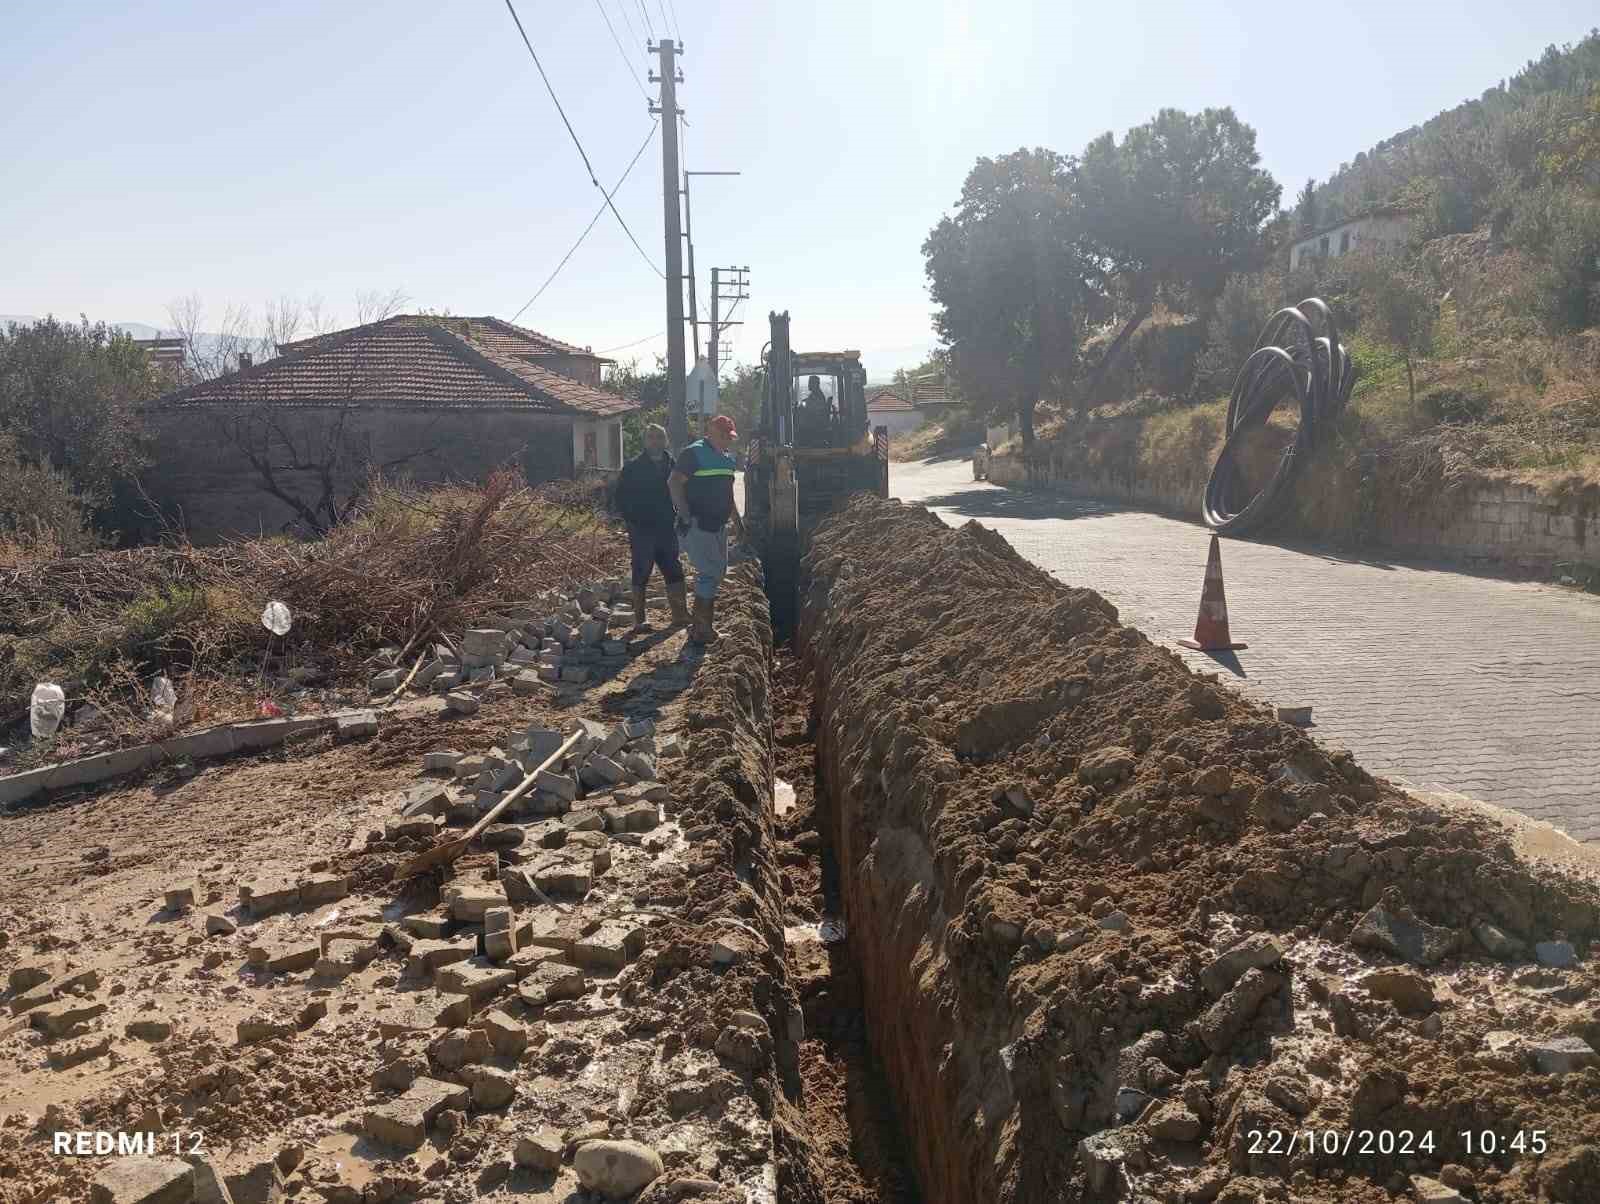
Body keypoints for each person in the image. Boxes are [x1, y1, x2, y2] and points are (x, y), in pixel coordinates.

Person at [669, 414, 748, 645]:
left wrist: (738, 521)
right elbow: (674, 482)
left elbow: (728, 495)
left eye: (729, 436)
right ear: (711, 432)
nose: (727, 440)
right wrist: (684, 513)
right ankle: (701, 630)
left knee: (717, 573)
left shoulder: (726, 459)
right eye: (723, 435)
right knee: (708, 574)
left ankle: (700, 628)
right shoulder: (693, 453)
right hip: (698, 523)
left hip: (718, 525)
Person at [616, 423, 691, 632]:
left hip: (666, 526)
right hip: (642, 529)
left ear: (665, 440)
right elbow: (620, 498)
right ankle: (640, 620)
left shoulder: (672, 464)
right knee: (641, 570)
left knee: (673, 568)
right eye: (651, 437)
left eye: (659, 437)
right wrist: (632, 522)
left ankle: (680, 615)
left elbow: (682, 491)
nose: (655, 441)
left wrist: (683, 516)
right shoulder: (633, 466)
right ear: (645, 440)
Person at [795, 374, 833, 448]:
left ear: (815, 384)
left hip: (815, 423)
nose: (808, 384)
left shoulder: (819, 395)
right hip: (815, 420)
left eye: (810, 382)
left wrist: (802, 406)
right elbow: (808, 402)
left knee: (798, 419)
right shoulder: (815, 394)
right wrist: (802, 403)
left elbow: (812, 407)